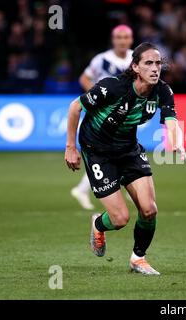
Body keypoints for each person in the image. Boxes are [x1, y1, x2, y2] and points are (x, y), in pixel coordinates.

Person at [65, 42, 185, 275]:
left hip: (128, 149)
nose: (155, 68)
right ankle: (98, 224)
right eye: (148, 63)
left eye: (158, 63)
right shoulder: (113, 87)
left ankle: (138, 259)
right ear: (136, 67)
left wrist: (177, 141)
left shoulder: (162, 90)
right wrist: (71, 147)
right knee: (120, 219)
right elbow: (74, 108)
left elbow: (171, 120)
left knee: (149, 210)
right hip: (98, 151)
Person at [71, 24, 134, 210]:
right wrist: (96, 96)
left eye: (126, 37)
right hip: (101, 116)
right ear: (113, 39)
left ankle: (86, 189)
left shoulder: (135, 58)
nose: (122, 41)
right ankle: (87, 189)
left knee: (118, 150)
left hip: (124, 114)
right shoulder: (102, 59)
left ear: (131, 39)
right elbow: (84, 78)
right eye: (118, 37)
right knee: (107, 152)